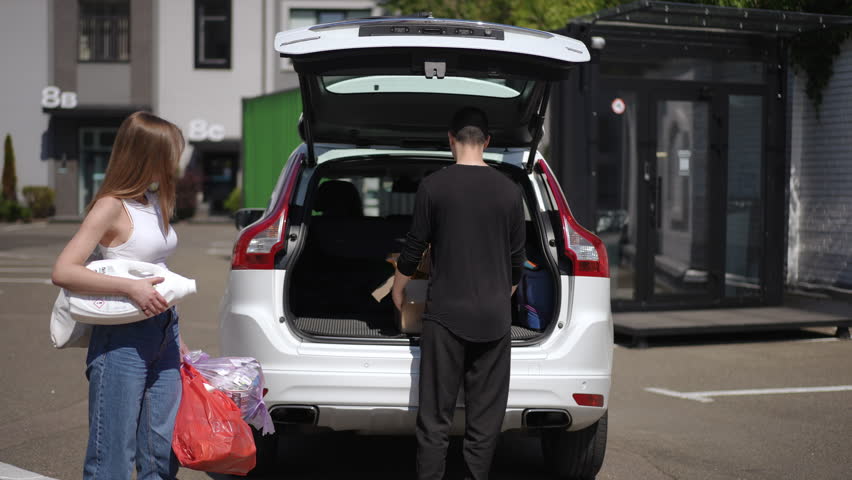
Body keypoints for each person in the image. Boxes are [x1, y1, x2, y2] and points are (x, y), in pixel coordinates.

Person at [392, 107, 526, 480]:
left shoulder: (434, 186)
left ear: (450, 140)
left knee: (435, 421)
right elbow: (518, 260)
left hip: (446, 318)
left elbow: (415, 246)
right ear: (487, 142)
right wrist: (502, 294)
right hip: (494, 321)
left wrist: (399, 289)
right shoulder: (510, 191)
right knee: (484, 424)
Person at [52, 111, 188, 480]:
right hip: (123, 336)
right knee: (111, 457)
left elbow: (157, 267)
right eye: (170, 153)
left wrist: (176, 338)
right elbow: (63, 271)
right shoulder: (111, 205)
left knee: (160, 454)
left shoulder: (153, 201)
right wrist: (130, 287)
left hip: (163, 330)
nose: (175, 162)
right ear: (147, 154)